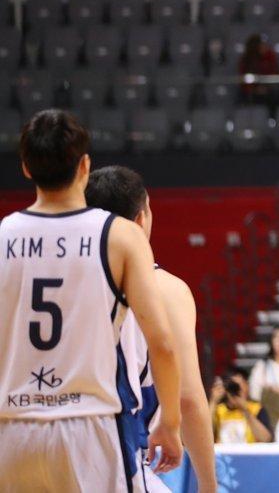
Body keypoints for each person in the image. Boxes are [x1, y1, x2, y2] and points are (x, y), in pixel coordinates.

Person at [0, 110, 184, 490]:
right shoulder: (120, 236)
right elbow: (163, 344)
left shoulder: (3, 236)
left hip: (12, 427)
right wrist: (170, 422)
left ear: (26, 168)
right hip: (90, 426)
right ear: (85, 166)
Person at [86, 165, 218, 492]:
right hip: (116, 455)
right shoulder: (167, 290)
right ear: (141, 218)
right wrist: (208, 485)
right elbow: (188, 398)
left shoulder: (64, 281)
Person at [209, 369, 273, 444]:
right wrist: (213, 402)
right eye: (233, 387)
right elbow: (205, 433)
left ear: (247, 386)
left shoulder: (256, 408)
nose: (235, 390)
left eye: (239, 386)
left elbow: (266, 439)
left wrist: (245, 410)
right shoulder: (218, 410)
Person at [238, 32, 279, 101]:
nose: (265, 46)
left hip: (268, 90)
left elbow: (274, 74)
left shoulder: (270, 55)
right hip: (251, 93)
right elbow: (244, 81)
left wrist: (266, 87)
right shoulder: (246, 59)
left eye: (265, 44)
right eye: (262, 45)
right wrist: (255, 89)